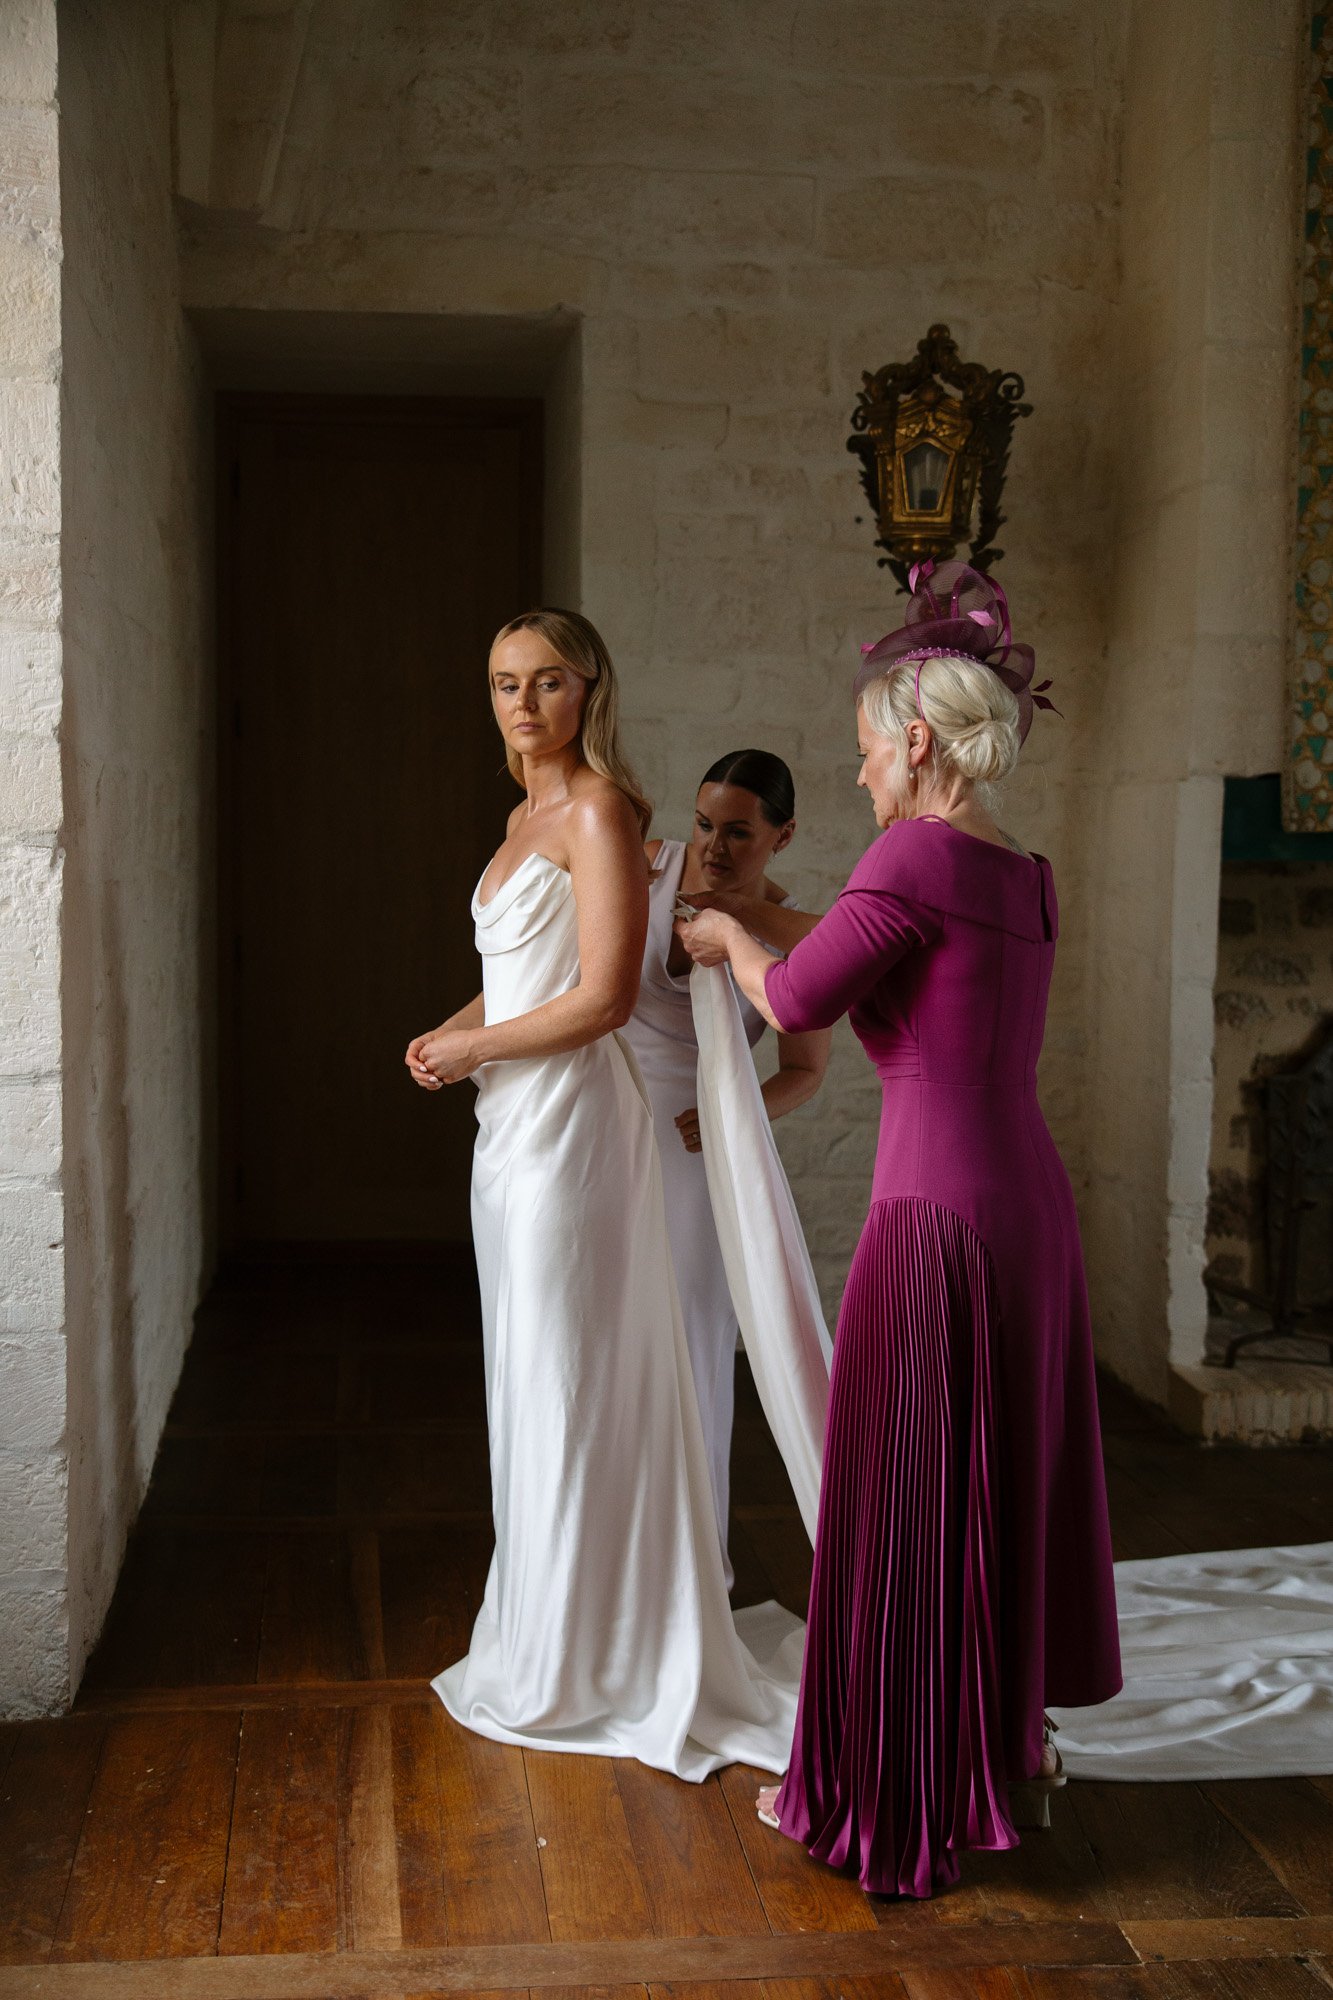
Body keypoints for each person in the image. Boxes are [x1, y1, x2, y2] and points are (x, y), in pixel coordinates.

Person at [677, 562, 1122, 1894]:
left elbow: (803, 988)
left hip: (931, 1218)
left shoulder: (913, 847)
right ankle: (1000, 1754)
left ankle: (888, 1791)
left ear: (915, 743)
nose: (863, 776)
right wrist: (761, 922)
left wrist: (716, 933)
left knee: (906, 1503)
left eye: (869, 753)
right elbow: (903, 969)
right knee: (994, 1490)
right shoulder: (1019, 872)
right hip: (1026, 1207)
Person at [404, 608, 800, 1781]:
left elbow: (608, 999)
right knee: (531, 1369)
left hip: (575, 1125)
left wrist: (482, 1051)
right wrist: (453, 1025)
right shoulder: (523, 814)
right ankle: (547, 1628)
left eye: (547, 682)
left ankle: (597, 1649)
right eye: (502, 682)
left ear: (590, 691)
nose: (522, 704)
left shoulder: (598, 809)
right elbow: (535, 971)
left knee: (570, 1371)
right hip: (509, 1132)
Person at [621, 750, 831, 1581]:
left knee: (689, 1351)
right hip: (606, 1133)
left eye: (738, 833)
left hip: (694, 1153)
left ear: (782, 836)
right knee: (609, 1346)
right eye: (704, 824)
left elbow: (805, 1072)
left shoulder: (798, 936)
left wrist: (725, 1112)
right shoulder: (646, 871)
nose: (711, 848)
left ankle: (684, 1574)